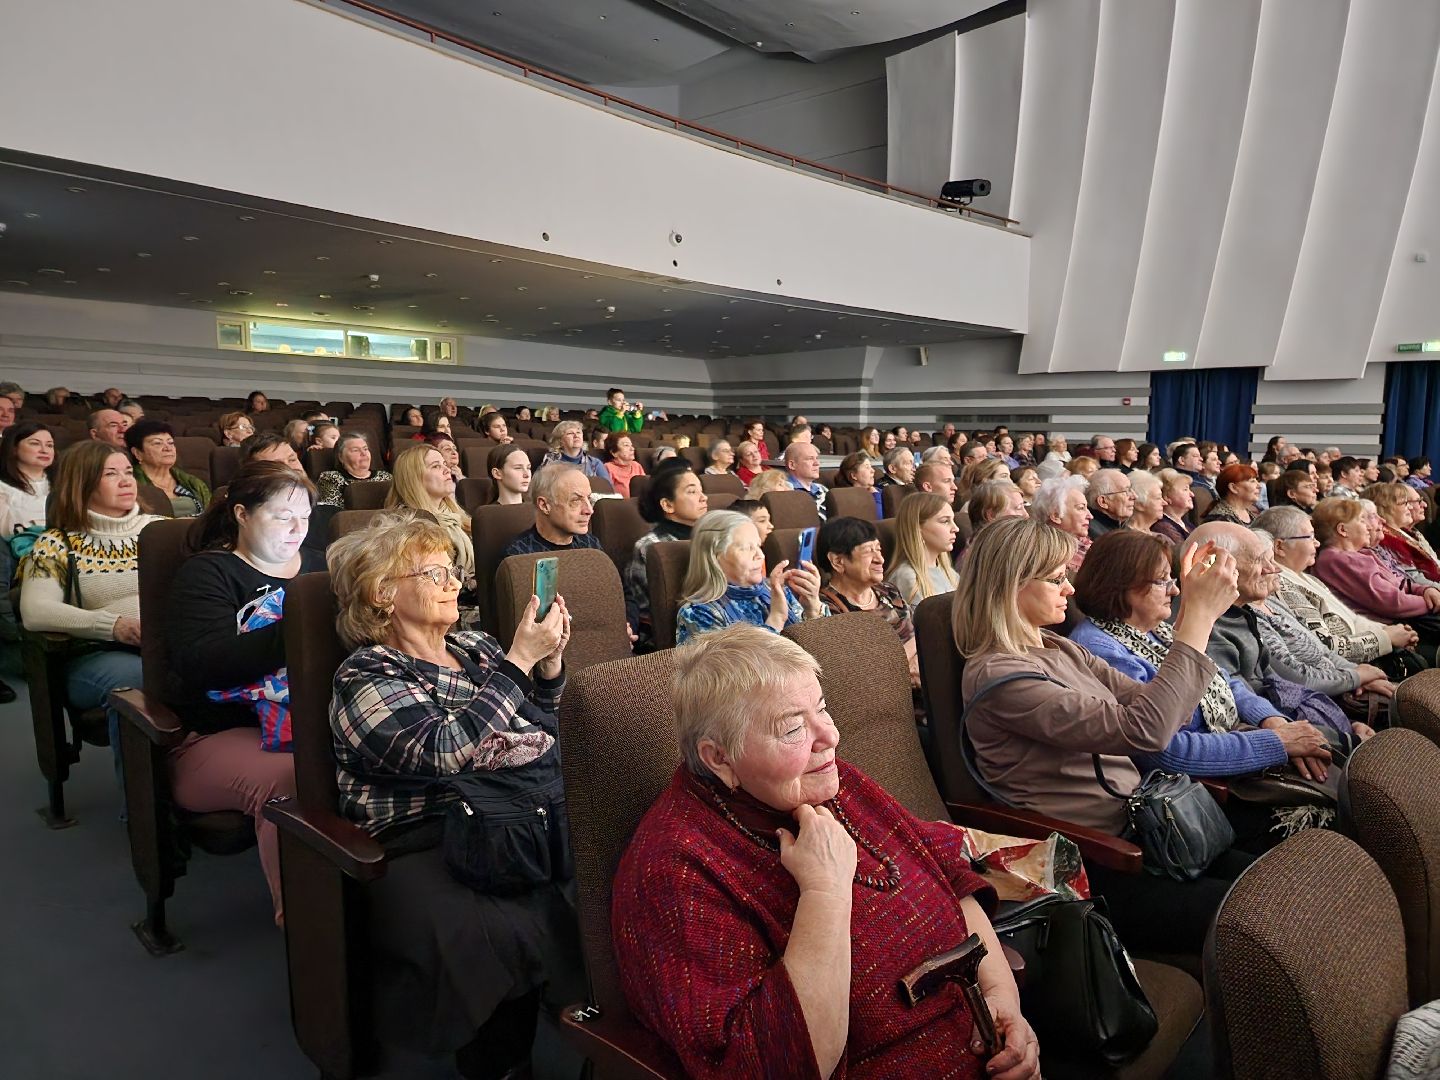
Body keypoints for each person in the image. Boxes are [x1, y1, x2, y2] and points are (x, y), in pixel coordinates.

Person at [613, 625, 1036, 1080]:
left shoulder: (832, 782)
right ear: (719, 758)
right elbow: (767, 1064)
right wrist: (826, 892)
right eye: (793, 728)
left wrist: (1000, 999)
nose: (829, 736)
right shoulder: (675, 872)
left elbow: (945, 872)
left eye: (823, 709)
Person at [326, 512, 582, 1077]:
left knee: (599, 884)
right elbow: (446, 753)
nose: (454, 584)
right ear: (382, 592)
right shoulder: (366, 672)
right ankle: (499, 1063)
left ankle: (585, 1029)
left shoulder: (476, 647)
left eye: (453, 571)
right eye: (435, 572)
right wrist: (518, 664)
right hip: (427, 833)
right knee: (499, 932)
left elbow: (541, 722)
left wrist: (548, 666)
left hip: (515, 813)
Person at [955, 516, 1251, 953]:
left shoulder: (1057, 647)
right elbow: (1147, 730)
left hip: (1149, 831)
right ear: (1010, 585)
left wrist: (1191, 618)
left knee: (1278, 883)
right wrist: (1199, 620)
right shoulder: (1001, 678)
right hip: (1101, 860)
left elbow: (1167, 711)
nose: (1070, 589)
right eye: (1057, 578)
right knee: (1257, 919)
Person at [1069, 530, 1331, 847]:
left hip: (1236, 749)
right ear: (1123, 587)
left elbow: (1221, 678)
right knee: (1328, 812)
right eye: (1163, 581)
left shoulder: (1152, 629)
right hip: (1201, 792)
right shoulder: (1100, 649)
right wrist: (1274, 743)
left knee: (1333, 762)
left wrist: (1270, 719)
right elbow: (1162, 753)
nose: (1175, 589)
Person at [162, 462, 322, 924]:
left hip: (313, 720)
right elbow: (206, 666)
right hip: (215, 735)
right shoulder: (209, 574)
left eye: (306, 516)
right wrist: (302, 624)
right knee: (296, 781)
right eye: (281, 516)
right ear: (241, 514)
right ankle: (313, 934)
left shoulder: (319, 567)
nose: (298, 529)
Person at [19, 443, 163, 753]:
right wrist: (114, 626)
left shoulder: (162, 530)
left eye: (128, 472)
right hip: (97, 654)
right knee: (142, 682)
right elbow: (35, 610)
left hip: (167, 645)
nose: (126, 481)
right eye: (111, 474)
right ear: (81, 482)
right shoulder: (57, 542)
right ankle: (144, 797)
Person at [1257, 505, 1425, 679]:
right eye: (1310, 537)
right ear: (1280, 547)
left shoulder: (1306, 577)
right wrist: (1386, 638)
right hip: (1351, 671)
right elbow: (1325, 645)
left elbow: (1351, 619)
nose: (1317, 543)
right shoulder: (1281, 584)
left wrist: (1390, 631)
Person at [675, 511, 823, 643]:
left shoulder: (775, 590)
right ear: (715, 556)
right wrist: (776, 619)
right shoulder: (698, 613)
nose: (760, 555)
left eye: (759, 546)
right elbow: (734, 672)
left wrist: (812, 608)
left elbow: (820, 648)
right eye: (747, 548)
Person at [1312, 497, 1440, 634]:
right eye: (1362, 521)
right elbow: (1392, 604)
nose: (1368, 526)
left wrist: (1425, 590)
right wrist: (1431, 603)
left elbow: (1400, 583)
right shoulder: (1337, 560)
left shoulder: (1361, 553)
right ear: (1343, 530)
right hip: (1393, 627)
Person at [815, 517, 919, 686]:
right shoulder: (826, 608)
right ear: (838, 561)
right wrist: (911, 655)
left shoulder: (888, 591)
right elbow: (865, 671)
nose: (880, 559)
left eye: (879, 550)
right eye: (868, 552)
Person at [625, 459, 708, 647]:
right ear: (668, 505)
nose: (704, 497)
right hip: (675, 639)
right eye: (692, 491)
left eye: (701, 490)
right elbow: (655, 611)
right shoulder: (650, 547)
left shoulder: (712, 538)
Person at [387, 445, 475, 596]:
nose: (447, 470)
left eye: (445, 464)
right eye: (436, 466)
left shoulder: (456, 516)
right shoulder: (406, 527)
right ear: (413, 477)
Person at [501, 463, 602, 557]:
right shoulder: (519, 555)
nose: (589, 510)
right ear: (544, 505)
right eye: (575, 500)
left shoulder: (591, 545)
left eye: (588, 498)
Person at [124, 420, 211, 517]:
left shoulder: (193, 483)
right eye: (157, 443)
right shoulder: (129, 484)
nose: (168, 448)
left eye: (171, 443)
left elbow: (211, 515)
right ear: (137, 453)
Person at [886, 492, 959, 605]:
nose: (956, 528)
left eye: (953, 520)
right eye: (945, 521)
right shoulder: (907, 577)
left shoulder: (950, 573)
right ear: (918, 528)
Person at [1369, 482, 1440, 584]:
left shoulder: (1407, 533)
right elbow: (1414, 579)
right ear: (1386, 507)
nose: (1410, 507)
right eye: (1405, 503)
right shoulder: (1386, 539)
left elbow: (1435, 563)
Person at [1030, 475, 1092, 574]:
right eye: (1081, 508)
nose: (1090, 516)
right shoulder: (1047, 558)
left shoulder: (1085, 545)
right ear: (1056, 515)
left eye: (1086, 508)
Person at [315, 432, 391, 507]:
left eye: (365, 449)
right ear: (341, 457)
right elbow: (332, 512)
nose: (363, 453)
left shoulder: (386, 477)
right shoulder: (330, 478)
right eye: (355, 450)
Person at [541, 420, 606, 479]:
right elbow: (542, 486)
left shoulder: (595, 463)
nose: (576, 435)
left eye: (578, 432)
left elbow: (608, 490)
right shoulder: (551, 460)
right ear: (560, 441)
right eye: (570, 433)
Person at [783, 441, 828, 519]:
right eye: (810, 459)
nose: (817, 463)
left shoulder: (822, 489)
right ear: (792, 465)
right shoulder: (783, 490)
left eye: (817, 458)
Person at [1151, 468, 1195, 546]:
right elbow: (1182, 554)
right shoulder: (1163, 527)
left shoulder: (1185, 523)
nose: (1192, 494)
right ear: (1167, 496)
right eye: (1185, 489)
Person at [1086, 468, 1134, 538]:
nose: (1134, 496)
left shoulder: (1122, 528)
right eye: (1126, 491)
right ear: (1103, 502)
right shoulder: (1096, 535)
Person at [602, 432, 645, 498]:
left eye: (631, 445)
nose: (632, 449)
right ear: (614, 452)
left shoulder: (636, 466)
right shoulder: (607, 468)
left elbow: (646, 488)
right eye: (626, 445)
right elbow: (607, 495)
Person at [1125, 469, 1164, 533]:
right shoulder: (1129, 540)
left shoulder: (1160, 537)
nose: (1164, 503)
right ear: (1139, 505)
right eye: (1158, 498)